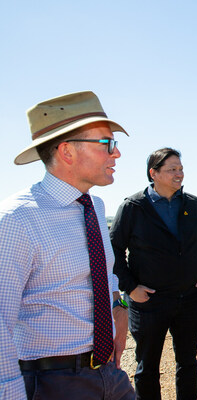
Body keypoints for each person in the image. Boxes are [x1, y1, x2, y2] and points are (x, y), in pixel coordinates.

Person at [0, 91, 134, 399]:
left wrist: (117, 303)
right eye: (107, 144)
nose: (117, 154)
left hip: (109, 373)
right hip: (52, 382)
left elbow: (104, 273)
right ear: (67, 152)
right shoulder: (16, 219)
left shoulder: (95, 207)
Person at [110, 147, 197, 400]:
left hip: (189, 299)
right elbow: (113, 250)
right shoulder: (133, 207)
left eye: (181, 169)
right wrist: (131, 287)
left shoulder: (193, 204)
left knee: (188, 363)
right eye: (172, 170)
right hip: (149, 303)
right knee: (147, 367)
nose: (179, 174)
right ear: (153, 173)